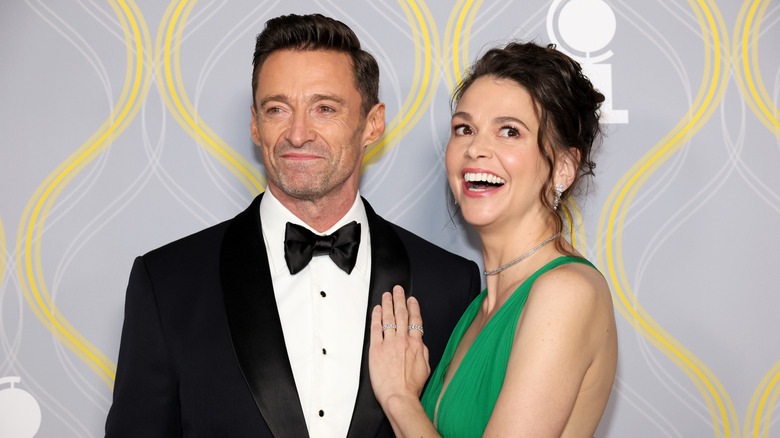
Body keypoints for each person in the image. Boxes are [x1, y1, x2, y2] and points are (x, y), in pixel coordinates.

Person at [104, 13, 480, 438]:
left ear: (372, 123)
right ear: (255, 124)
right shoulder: (168, 282)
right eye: (277, 108)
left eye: (325, 108)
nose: (298, 134)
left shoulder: (450, 284)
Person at [369, 41, 618, 437]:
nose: (476, 149)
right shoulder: (481, 306)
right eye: (464, 128)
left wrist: (399, 398)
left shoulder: (565, 292)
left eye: (509, 131)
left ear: (564, 168)